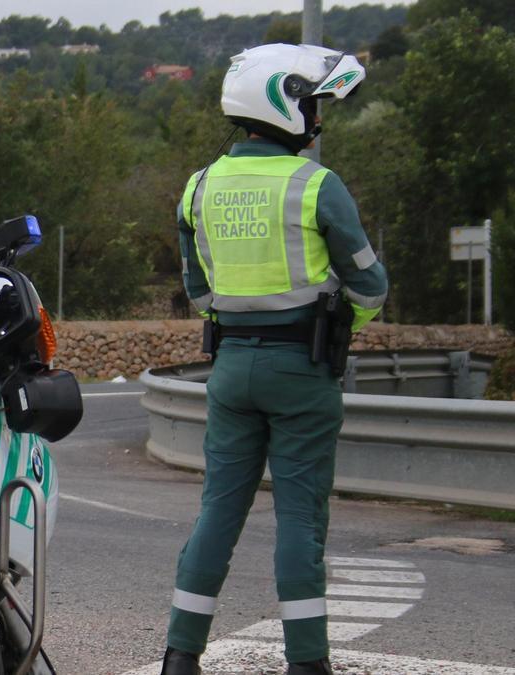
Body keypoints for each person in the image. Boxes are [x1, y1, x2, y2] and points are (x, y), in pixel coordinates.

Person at [161, 43, 388, 675]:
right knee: (299, 520)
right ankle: (307, 663)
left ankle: (180, 655)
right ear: (283, 102)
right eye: (313, 104)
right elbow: (371, 287)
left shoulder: (198, 187)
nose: (318, 118)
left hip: (230, 368)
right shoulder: (315, 185)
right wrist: (340, 322)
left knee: (218, 513)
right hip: (301, 370)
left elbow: (198, 292)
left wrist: (240, 314)